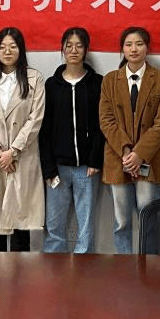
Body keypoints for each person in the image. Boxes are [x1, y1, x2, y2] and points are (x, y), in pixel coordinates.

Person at [98, 26, 160, 254]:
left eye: (139, 44)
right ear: (122, 49)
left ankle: (150, 264)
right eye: (128, 44)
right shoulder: (110, 80)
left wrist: (139, 154)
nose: (134, 49)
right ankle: (124, 264)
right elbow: (106, 120)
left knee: (148, 216)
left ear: (147, 48)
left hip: (149, 159)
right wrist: (126, 151)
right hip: (118, 157)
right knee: (121, 221)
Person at [0, 27, 45, 252]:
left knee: (20, 223)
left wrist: (12, 151)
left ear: (21, 50)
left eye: (13, 46)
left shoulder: (34, 78)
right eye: (2, 47)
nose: (7, 51)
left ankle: (21, 275)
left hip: (22, 157)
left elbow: (35, 118)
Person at [40, 27, 104, 254]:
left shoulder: (98, 83)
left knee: (85, 225)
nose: (74, 50)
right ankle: (53, 265)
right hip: (58, 168)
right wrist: (48, 168)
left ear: (86, 50)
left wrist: (95, 160)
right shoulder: (51, 85)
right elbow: (44, 129)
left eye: (79, 46)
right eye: (69, 46)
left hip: (87, 168)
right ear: (62, 49)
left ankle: (83, 265)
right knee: (54, 224)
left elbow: (103, 125)